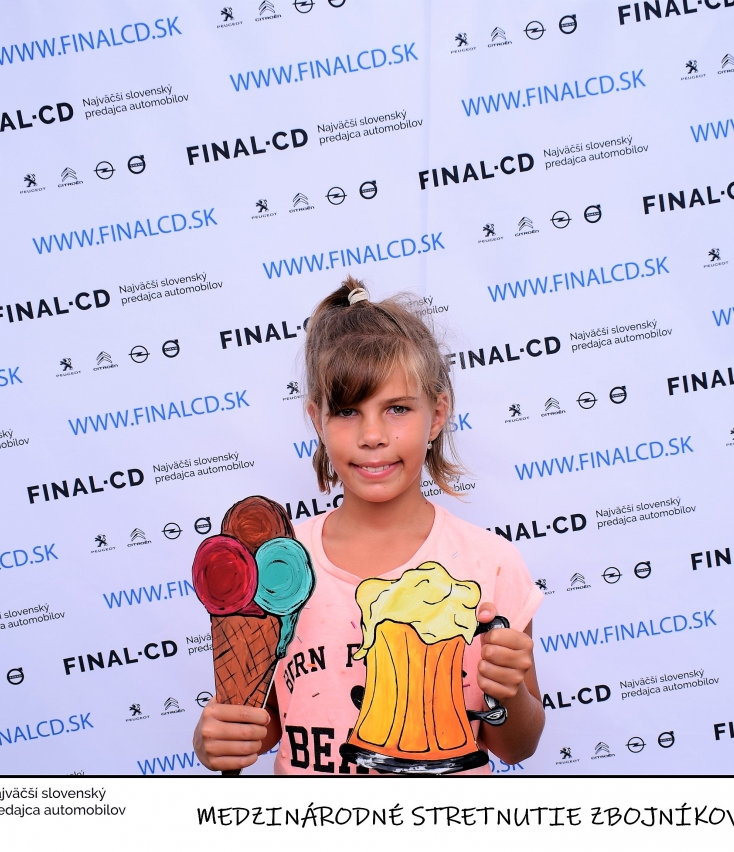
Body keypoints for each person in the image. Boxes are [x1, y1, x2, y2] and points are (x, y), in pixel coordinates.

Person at [193, 277, 544, 774]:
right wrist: (218, 737)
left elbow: (517, 747)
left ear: (437, 414)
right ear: (317, 420)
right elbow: (262, 724)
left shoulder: (492, 565)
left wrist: (508, 692)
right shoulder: (282, 567)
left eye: (397, 409)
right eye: (346, 412)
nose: (373, 435)